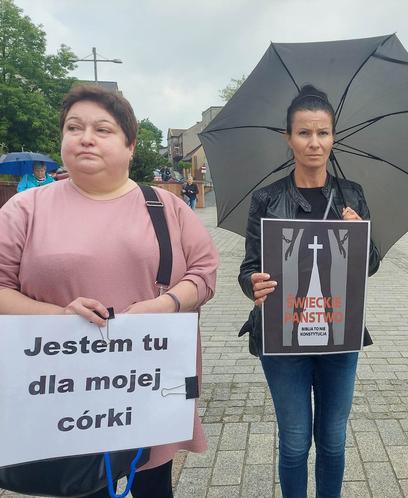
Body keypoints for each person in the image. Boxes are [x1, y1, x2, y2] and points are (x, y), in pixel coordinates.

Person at [0, 85, 219, 498]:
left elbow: (204, 274)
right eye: (73, 127)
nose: (85, 137)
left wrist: (164, 303)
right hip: (63, 389)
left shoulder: (164, 207)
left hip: (146, 383)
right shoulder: (25, 210)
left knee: (152, 483)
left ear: (130, 145)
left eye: (103, 129)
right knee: (83, 488)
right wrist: (59, 317)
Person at [238, 85, 380, 498]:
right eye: (304, 133)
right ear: (289, 138)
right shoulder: (267, 199)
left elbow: (368, 266)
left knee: (333, 440)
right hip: (283, 337)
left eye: (322, 133)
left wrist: (358, 236)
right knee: (296, 440)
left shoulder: (351, 195)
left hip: (338, 334)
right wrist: (253, 284)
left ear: (333, 137)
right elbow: (248, 268)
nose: (313, 143)